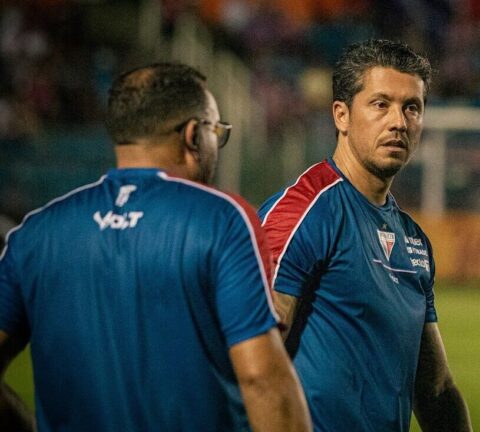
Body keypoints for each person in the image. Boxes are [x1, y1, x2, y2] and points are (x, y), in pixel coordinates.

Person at [0, 63, 311, 432]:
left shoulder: (36, 233)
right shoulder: (222, 220)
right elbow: (262, 382)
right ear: (194, 135)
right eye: (217, 132)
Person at [258, 39, 472, 431]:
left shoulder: (413, 241)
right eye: (380, 104)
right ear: (341, 115)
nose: (399, 122)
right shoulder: (303, 212)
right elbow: (252, 359)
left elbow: (436, 390)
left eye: (412, 107)